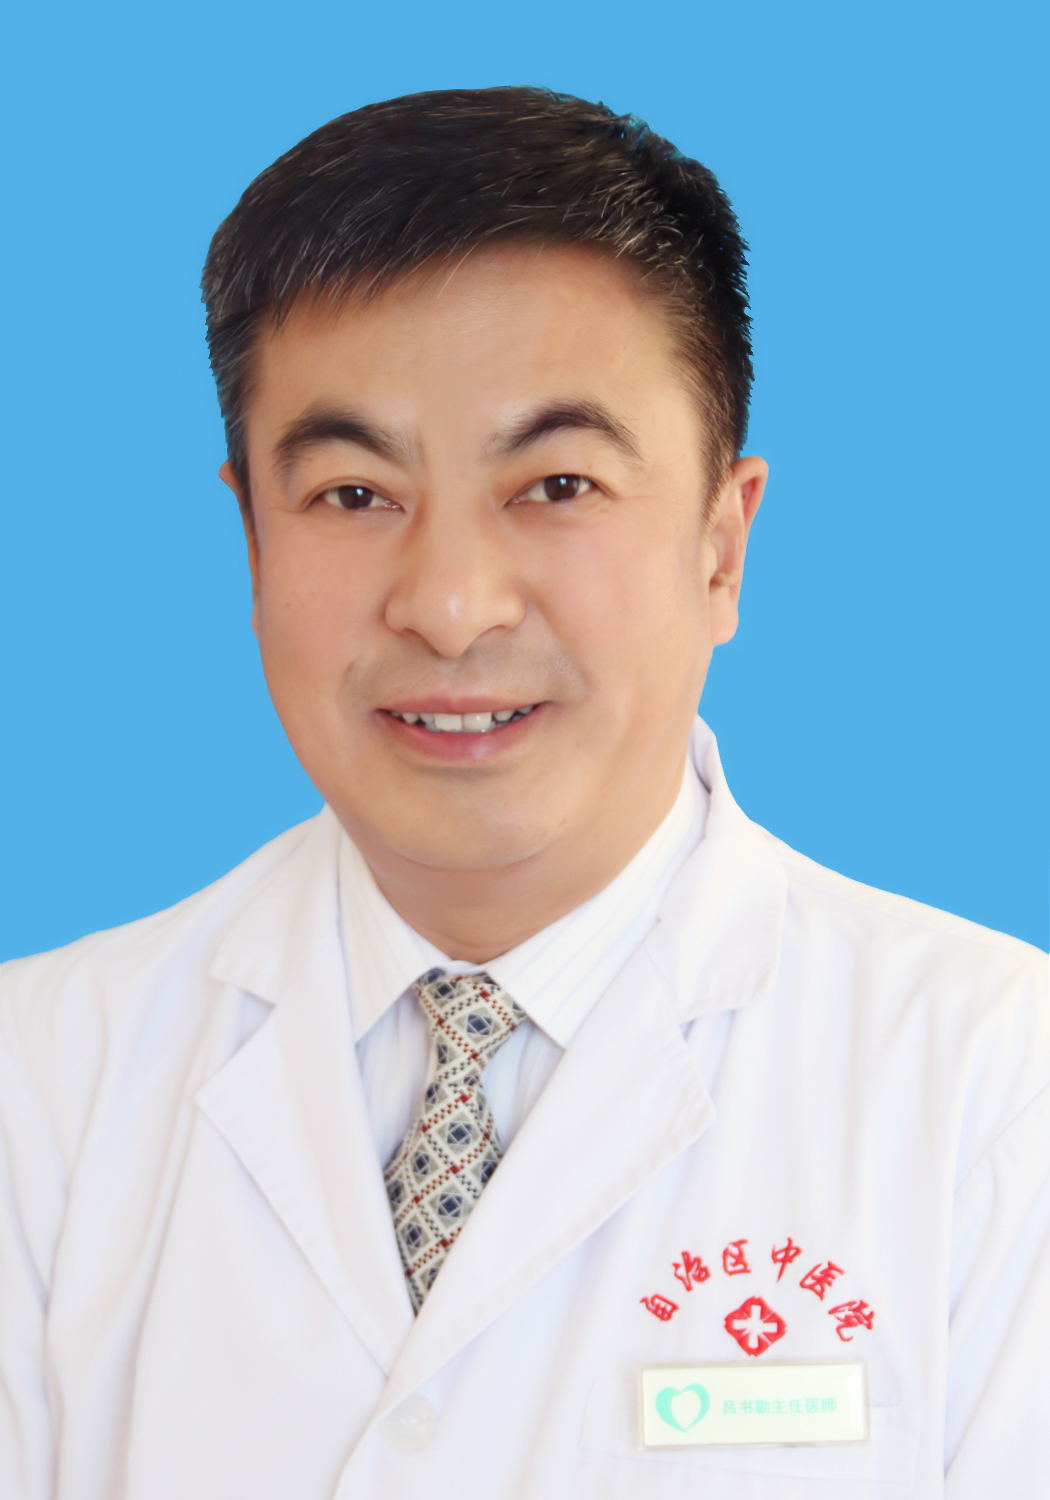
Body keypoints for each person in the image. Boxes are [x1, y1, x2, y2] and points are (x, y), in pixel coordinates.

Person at [1, 84, 1046, 1500]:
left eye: (556, 486)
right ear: (251, 538)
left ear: (721, 546)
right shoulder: (39, 1088)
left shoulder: (997, 1086)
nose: (448, 606)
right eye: (354, 494)